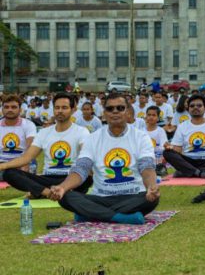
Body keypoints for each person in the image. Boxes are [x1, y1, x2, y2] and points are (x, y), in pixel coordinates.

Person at [48, 93, 160, 224]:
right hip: (101, 197)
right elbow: (81, 168)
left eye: (120, 108)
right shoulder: (93, 138)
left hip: (134, 196)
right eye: (110, 109)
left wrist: (151, 187)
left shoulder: (141, 137)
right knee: (66, 196)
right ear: (104, 113)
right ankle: (120, 218)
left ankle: (91, 214)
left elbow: (146, 167)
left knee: (151, 198)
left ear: (128, 112)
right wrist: (62, 187)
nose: (115, 112)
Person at [1, 93, 92, 198]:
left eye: (64, 108)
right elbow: (26, 158)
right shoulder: (44, 132)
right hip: (47, 178)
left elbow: (86, 157)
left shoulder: (81, 132)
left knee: (87, 177)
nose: (60, 111)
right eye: (57, 108)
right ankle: (48, 193)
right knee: (9, 173)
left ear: (73, 110)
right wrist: (3, 166)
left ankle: (48, 191)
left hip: (71, 177)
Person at [163, 94, 205, 178]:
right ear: (188, 109)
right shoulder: (182, 126)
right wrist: (171, 148)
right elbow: (177, 150)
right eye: (192, 106)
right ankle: (199, 172)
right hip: (188, 160)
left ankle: (187, 171)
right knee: (167, 153)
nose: (195, 107)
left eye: (199, 105)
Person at [0, 95, 38, 179]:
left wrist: (25, 163)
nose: (10, 109)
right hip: (2, 162)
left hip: (22, 162)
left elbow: (30, 147)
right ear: (2, 110)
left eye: (13, 107)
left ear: (20, 110)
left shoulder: (28, 125)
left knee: (29, 168)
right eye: (6, 107)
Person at [144, 106, 170, 177]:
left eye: (154, 115)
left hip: (158, 159)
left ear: (158, 118)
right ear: (146, 117)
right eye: (149, 115)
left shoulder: (160, 131)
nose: (151, 117)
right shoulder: (141, 131)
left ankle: (159, 169)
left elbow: (163, 147)